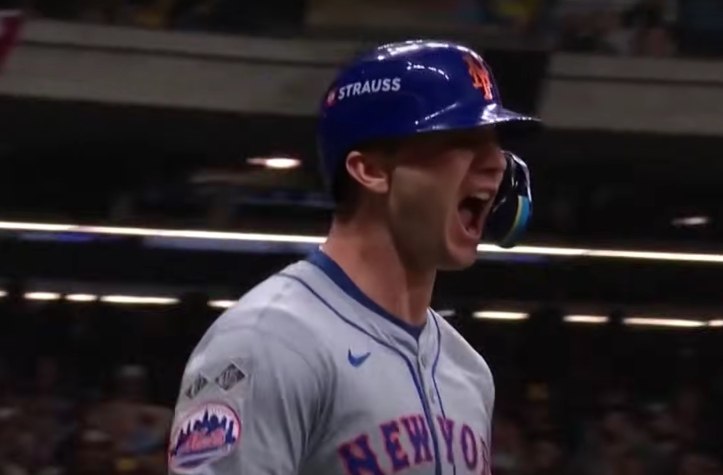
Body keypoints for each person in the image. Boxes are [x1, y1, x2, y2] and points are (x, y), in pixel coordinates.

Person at [167, 39, 540, 475]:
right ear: (371, 170)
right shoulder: (268, 342)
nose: (497, 165)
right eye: (463, 140)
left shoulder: (468, 371)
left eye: (495, 144)